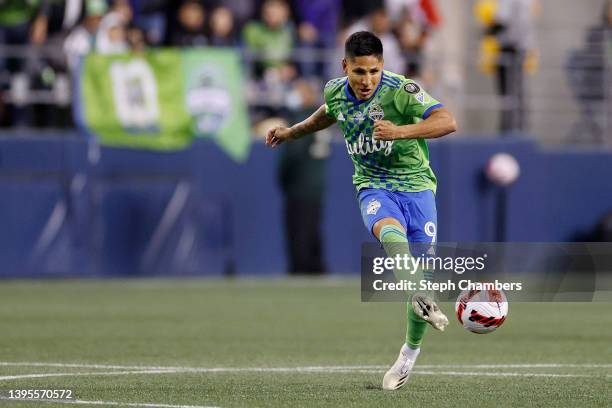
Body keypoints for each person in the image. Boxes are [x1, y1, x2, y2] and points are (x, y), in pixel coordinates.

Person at [265, 31, 457, 390]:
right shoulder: (335, 90)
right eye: (359, 72)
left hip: (417, 187)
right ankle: (418, 295)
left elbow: (448, 121)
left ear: (382, 66)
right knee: (388, 232)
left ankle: (408, 355)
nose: (366, 80)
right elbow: (328, 114)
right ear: (345, 67)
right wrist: (293, 131)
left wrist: (400, 132)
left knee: (420, 271)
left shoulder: (402, 91)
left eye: (372, 71)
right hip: (373, 185)